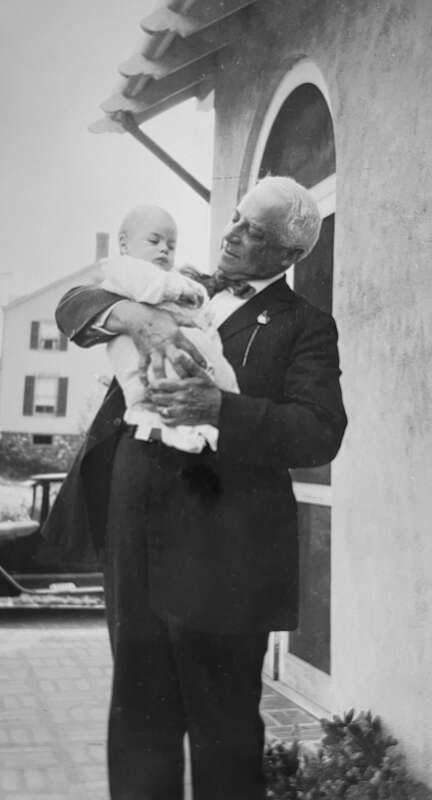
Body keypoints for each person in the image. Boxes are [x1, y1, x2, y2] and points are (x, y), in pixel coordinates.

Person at [44, 176, 347, 800]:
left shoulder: (305, 325)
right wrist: (135, 318)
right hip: (136, 525)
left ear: (288, 254)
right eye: (235, 218)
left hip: (224, 548)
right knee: (138, 711)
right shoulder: (174, 286)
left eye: (252, 231)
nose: (231, 234)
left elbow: (320, 431)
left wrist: (219, 409)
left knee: (223, 724)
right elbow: (74, 304)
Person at [100, 204, 239, 452]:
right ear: (124, 244)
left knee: (204, 381)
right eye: (154, 241)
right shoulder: (125, 268)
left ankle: (200, 430)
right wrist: (185, 291)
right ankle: (177, 432)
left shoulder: (168, 274)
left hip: (176, 348)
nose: (164, 249)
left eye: (171, 246)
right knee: (154, 392)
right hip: (138, 350)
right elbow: (151, 287)